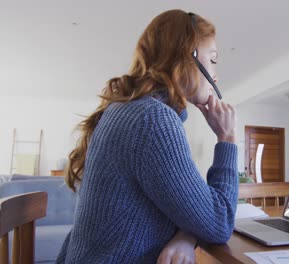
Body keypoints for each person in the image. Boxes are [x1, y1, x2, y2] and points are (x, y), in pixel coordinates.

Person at [56, 9, 238, 264]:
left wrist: (186, 235)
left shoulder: (131, 110)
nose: (216, 75)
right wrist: (226, 138)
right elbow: (220, 222)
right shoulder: (153, 121)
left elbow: (188, 206)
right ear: (189, 57)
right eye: (213, 60)